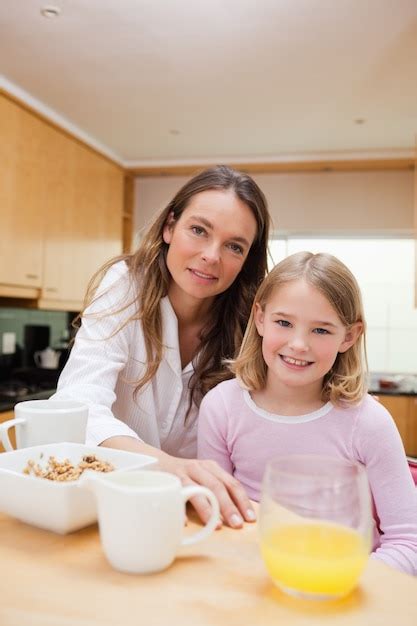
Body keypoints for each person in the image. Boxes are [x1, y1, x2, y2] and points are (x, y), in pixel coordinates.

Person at [53, 165, 271, 528]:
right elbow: (77, 403)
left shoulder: (253, 324)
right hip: (110, 504)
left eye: (234, 246)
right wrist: (166, 466)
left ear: (247, 259)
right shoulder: (125, 286)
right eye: (199, 230)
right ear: (170, 226)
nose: (211, 256)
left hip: (202, 515)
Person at [197, 251, 417, 575]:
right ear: (260, 318)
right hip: (249, 582)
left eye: (321, 330)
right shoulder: (221, 407)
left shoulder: (368, 422)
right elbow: (213, 514)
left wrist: (342, 583)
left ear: (350, 335)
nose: (299, 344)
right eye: (284, 323)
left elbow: (409, 541)